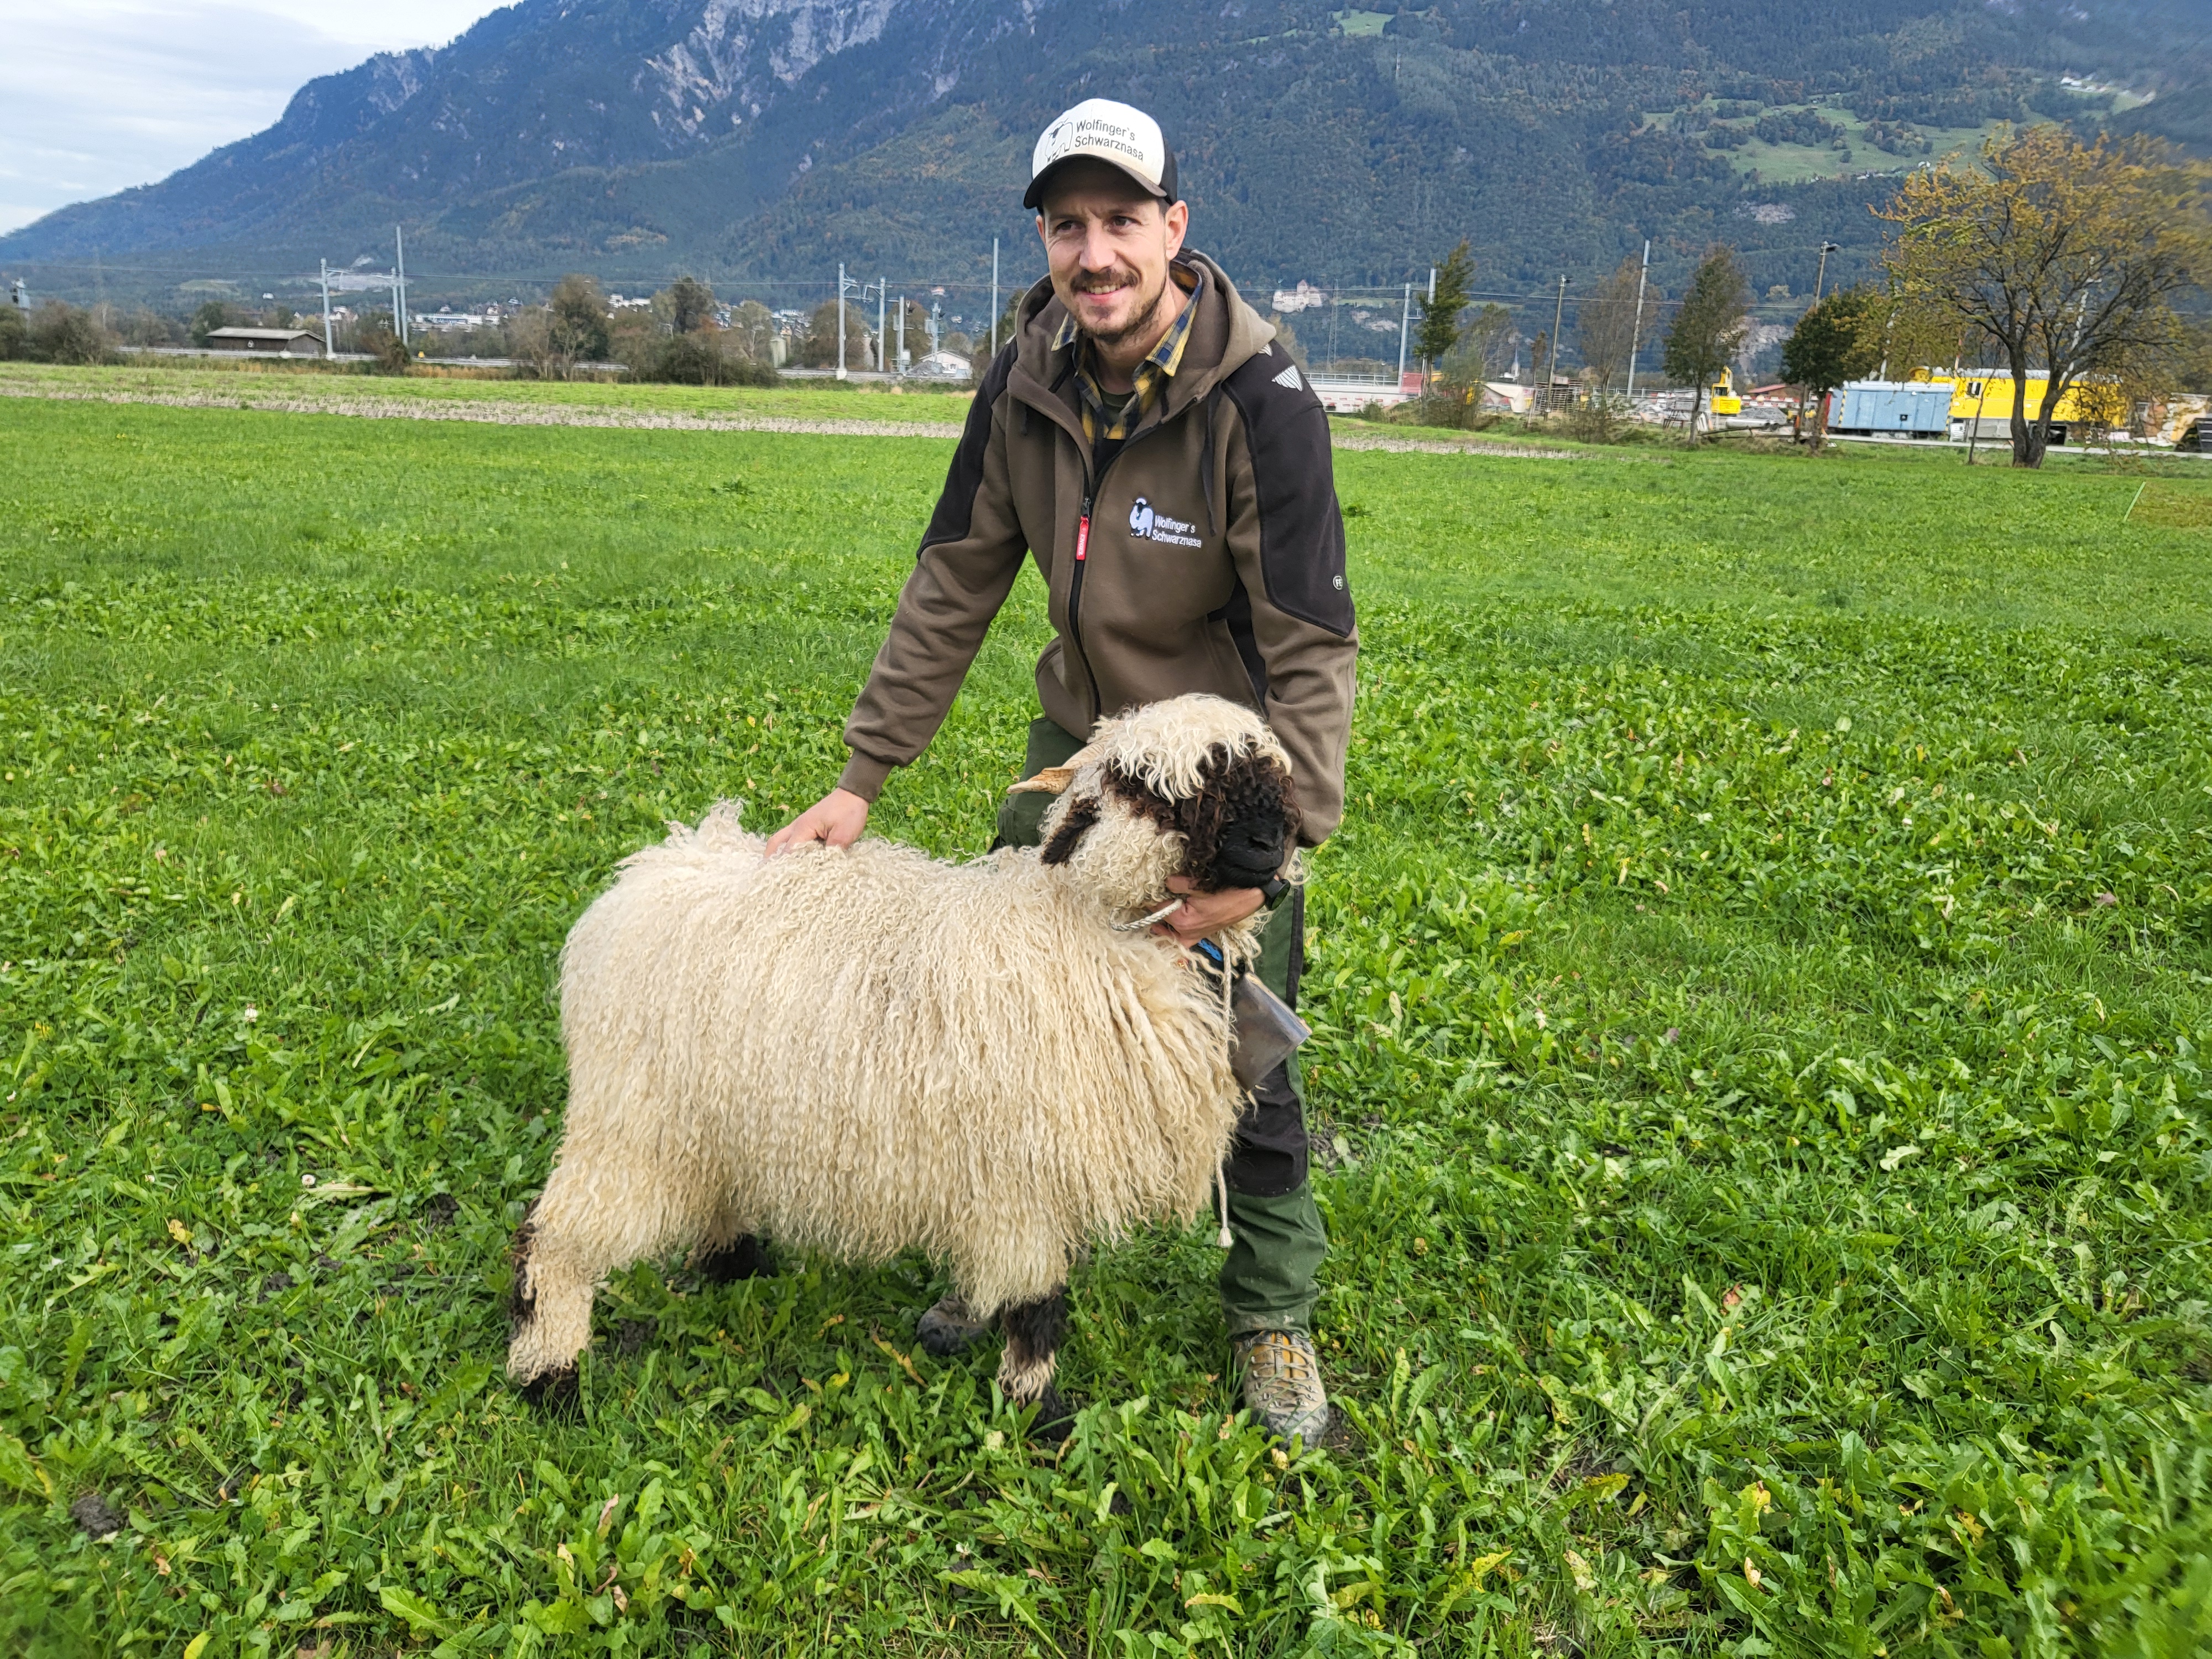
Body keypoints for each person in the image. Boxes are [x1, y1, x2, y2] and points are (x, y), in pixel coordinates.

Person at [768, 97, 1357, 1442]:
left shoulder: (1259, 402)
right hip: (1077, 759)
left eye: (1121, 222)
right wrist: (862, 779)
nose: (1094, 254)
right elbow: (952, 583)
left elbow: (1310, 645)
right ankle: (1008, 1265)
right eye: (1066, 225)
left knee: (1233, 1057)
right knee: (998, 1025)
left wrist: (1266, 865)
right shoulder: (1024, 377)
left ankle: (1271, 1321)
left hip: (1214, 786)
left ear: (1175, 230)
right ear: (1044, 239)